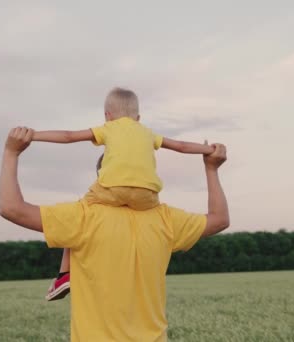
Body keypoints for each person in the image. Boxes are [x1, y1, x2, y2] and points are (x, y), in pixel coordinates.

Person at [0, 126, 229, 341]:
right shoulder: (166, 220)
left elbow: (11, 208)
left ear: (102, 177)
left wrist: (11, 153)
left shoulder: (83, 216)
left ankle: (64, 275)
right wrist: (211, 169)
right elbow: (219, 220)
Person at [31, 87, 215, 300]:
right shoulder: (148, 132)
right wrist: (208, 150)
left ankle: (64, 275)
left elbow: (68, 136)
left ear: (107, 116)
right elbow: (181, 146)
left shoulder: (108, 128)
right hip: (147, 196)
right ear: (138, 118)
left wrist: (33, 135)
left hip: (112, 188)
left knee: (76, 217)